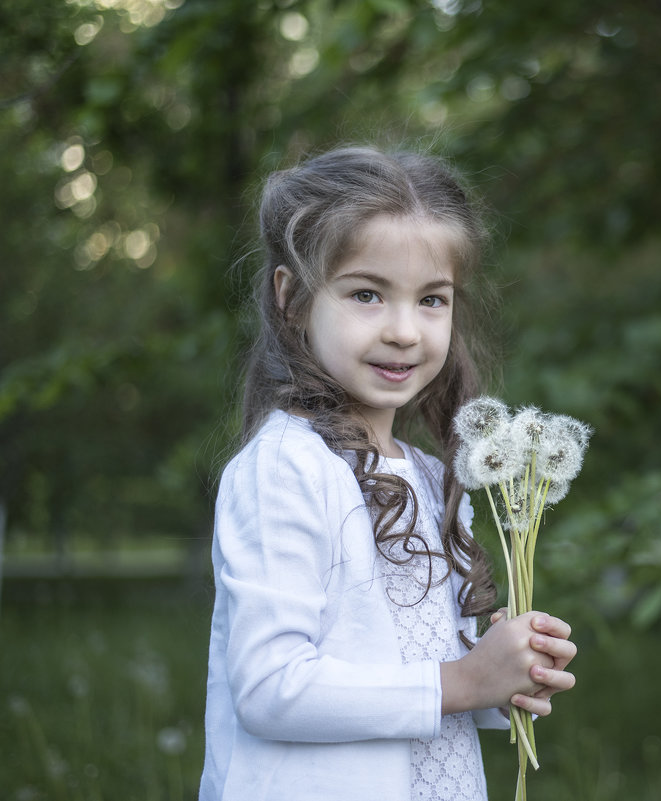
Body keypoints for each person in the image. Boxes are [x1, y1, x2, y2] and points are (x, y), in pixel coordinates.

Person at [200, 146, 578, 801]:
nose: (406, 330)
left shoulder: (431, 477)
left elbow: (420, 674)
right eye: (368, 293)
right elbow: (269, 687)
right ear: (292, 300)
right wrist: (459, 680)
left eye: (432, 299)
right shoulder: (285, 469)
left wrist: (502, 675)